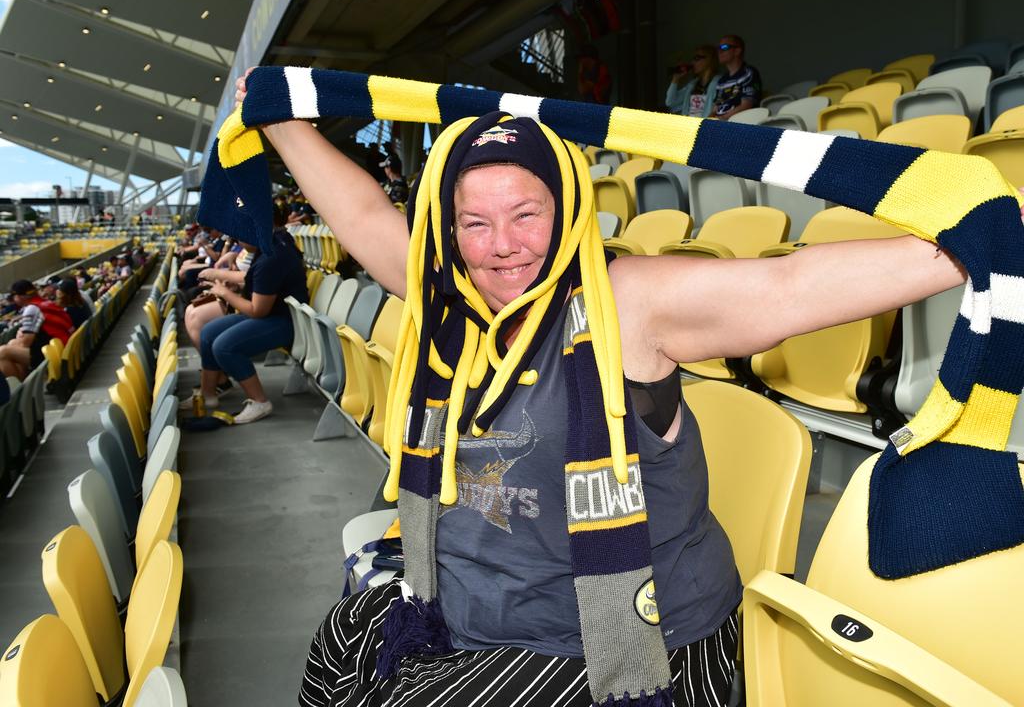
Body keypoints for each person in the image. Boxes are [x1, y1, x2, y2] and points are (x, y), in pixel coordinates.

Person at [228, 69, 980, 707]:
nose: (502, 246)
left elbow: (786, 287)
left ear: (566, 214)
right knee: (340, 645)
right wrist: (276, 117)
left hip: (625, 648)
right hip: (478, 611)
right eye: (475, 223)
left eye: (526, 215)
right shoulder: (448, 299)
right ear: (448, 233)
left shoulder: (625, 303)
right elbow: (361, 213)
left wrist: (969, 246)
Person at [196, 205, 308, 424]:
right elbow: (254, 285)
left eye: (239, 236)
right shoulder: (272, 242)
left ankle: (259, 401)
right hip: (272, 315)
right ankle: (207, 395)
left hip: (284, 322)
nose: (237, 242)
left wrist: (224, 292)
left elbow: (258, 310)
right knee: (209, 332)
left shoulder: (272, 257)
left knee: (224, 347)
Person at [0, 280, 73, 380]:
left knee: (2, 352)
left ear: (20, 296)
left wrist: (21, 335)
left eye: (14, 296)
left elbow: (26, 343)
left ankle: (20, 390)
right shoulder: (45, 302)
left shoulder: (31, 309)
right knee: (12, 343)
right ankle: (24, 383)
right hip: (60, 347)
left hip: (53, 353)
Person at [712, 34, 762, 120]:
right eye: (718, 48)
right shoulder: (722, 80)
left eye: (724, 47)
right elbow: (715, 108)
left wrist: (721, 119)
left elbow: (746, 105)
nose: (719, 51)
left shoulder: (748, 72)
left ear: (737, 51)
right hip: (720, 123)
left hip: (740, 123)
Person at [665, 44, 721, 117]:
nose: (692, 62)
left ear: (709, 59)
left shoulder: (718, 82)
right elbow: (670, 102)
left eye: (697, 58)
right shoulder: (692, 84)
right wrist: (675, 79)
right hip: (689, 126)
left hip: (706, 126)